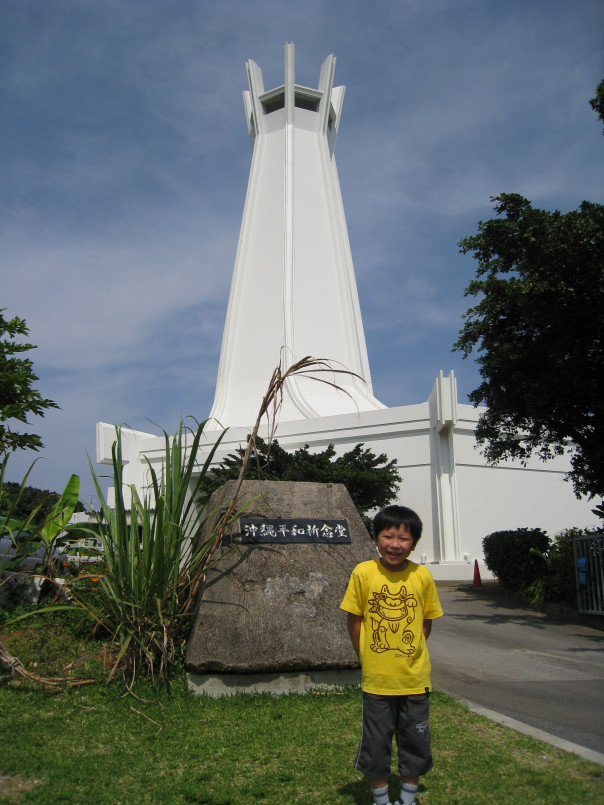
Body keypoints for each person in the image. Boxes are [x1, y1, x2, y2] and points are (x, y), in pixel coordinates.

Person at [340, 504, 443, 805]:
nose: (395, 545)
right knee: (375, 743)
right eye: (388, 536)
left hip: (414, 680)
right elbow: (354, 620)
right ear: (375, 538)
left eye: (404, 539)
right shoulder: (364, 572)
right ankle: (381, 800)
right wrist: (368, 656)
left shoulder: (422, 576)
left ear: (414, 543)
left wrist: (408, 649)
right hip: (377, 681)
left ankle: (408, 799)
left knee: (415, 742)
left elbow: (426, 623)